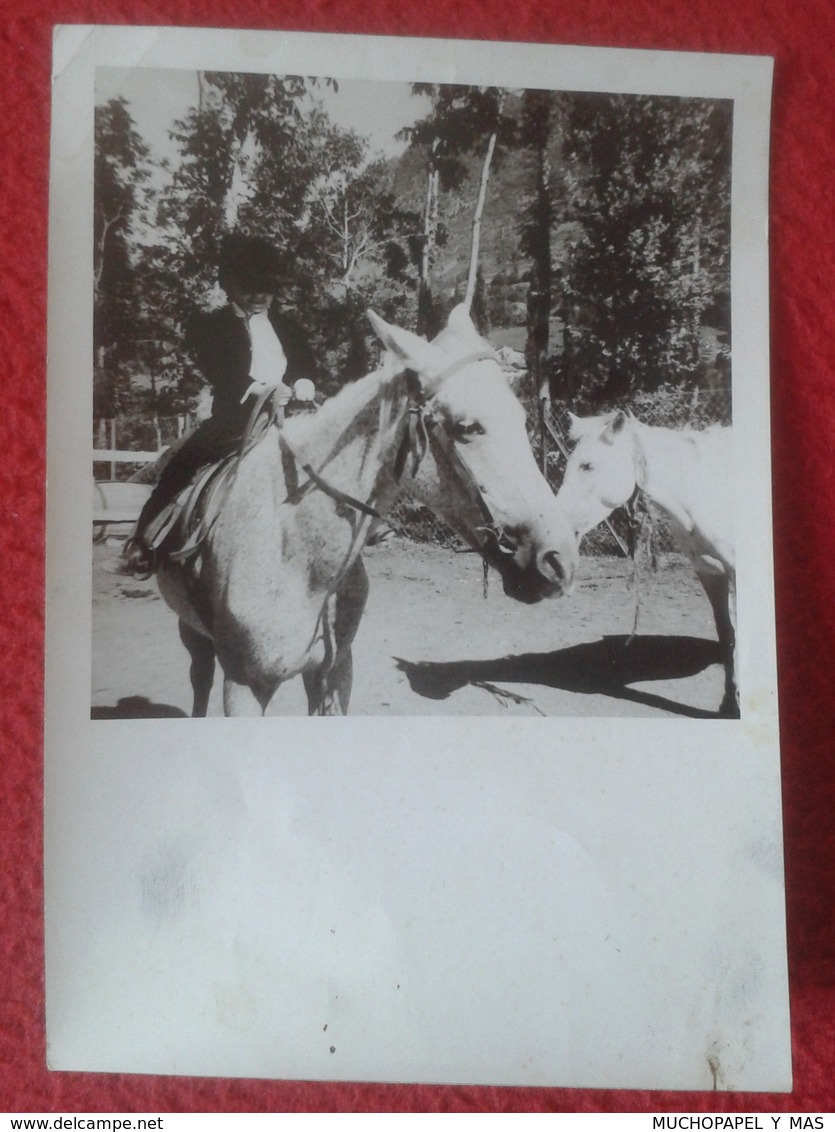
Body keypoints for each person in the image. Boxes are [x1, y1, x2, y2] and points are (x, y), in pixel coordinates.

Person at [122, 233, 318, 574]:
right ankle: (143, 541)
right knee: (180, 465)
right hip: (236, 419)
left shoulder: (289, 327)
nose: (259, 296)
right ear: (229, 285)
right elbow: (220, 370)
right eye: (248, 287)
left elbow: (304, 363)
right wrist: (259, 389)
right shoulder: (213, 326)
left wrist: (303, 381)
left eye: (266, 288)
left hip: (290, 415)